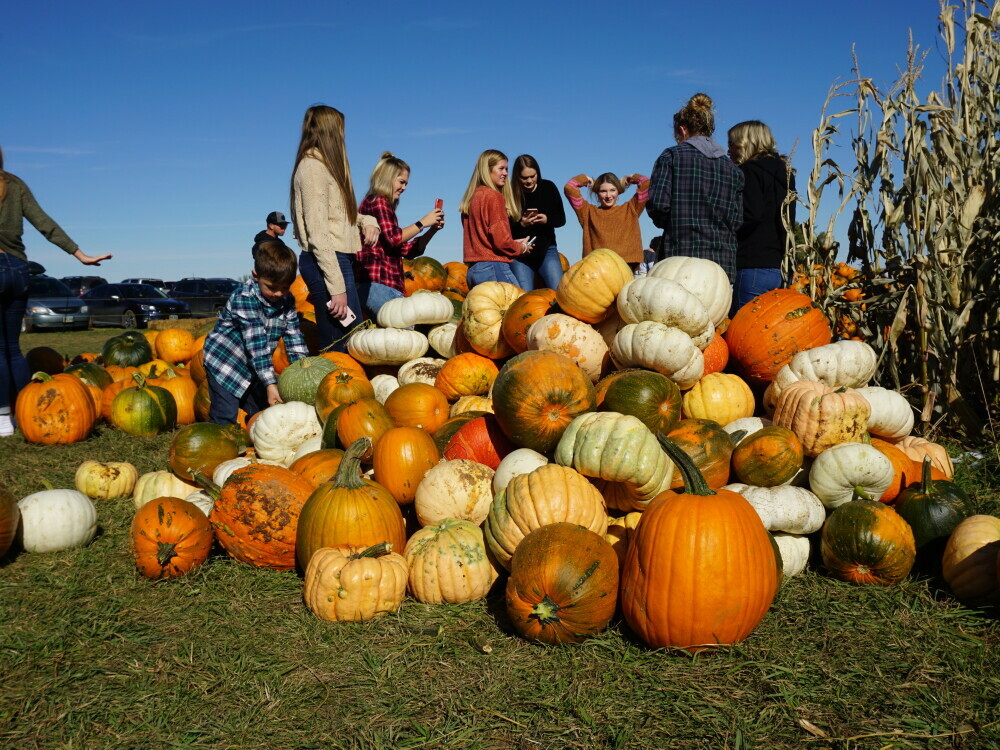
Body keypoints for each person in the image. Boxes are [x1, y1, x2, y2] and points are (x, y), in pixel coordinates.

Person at [0, 147, 111, 437]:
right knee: (12, 348)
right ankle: (28, 412)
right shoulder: (14, 184)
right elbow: (44, 223)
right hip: (19, 269)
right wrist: (80, 254)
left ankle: (1, 419)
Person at [290, 105, 379, 351]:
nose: (345, 135)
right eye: (341, 129)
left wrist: (367, 221)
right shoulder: (312, 168)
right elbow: (318, 233)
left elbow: (339, 214)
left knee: (352, 342)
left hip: (336, 260)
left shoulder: (327, 166)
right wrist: (337, 289)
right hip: (326, 262)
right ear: (329, 131)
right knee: (341, 346)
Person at [202, 241, 308, 426]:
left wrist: (303, 371)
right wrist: (270, 384)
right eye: (271, 287)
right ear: (256, 276)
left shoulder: (287, 300)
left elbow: (294, 337)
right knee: (225, 415)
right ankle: (214, 445)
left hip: (254, 368)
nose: (278, 293)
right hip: (225, 364)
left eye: (284, 287)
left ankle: (255, 444)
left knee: (264, 416)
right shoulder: (244, 298)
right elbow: (256, 343)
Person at [647, 93, 744, 283]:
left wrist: (675, 223)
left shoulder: (672, 157)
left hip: (679, 260)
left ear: (682, 130)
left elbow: (658, 205)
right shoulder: (733, 169)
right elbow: (737, 219)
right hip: (721, 265)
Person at [357, 152, 444, 316]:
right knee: (406, 333)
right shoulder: (378, 201)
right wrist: (423, 222)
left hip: (382, 285)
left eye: (406, 184)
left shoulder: (382, 205)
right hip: (378, 284)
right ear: (387, 178)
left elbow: (408, 251)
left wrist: (431, 230)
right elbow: (395, 238)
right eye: (401, 182)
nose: (404, 188)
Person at [727, 120, 795, 312]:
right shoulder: (786, 173)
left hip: (752, 264)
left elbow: (750, 214)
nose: (729, 151)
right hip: (778, 267)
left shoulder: (750, 170)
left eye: (732, 144)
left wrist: (726, 229)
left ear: (745, 143)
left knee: (744, 333)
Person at [460, 149, 532, 288]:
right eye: (501, 168)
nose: (505, 173)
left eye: (506, 169)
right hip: (494, 267)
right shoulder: (494, 197)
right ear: (487, 170)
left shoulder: (471, 199)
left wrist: (512, 242)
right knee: (516, 307)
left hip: (473, 271)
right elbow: (501, 242)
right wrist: (521, 247)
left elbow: (482, 238)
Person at [564, 171, 650, 269]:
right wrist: (585, 179)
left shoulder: (631, 209)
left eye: (613, 190)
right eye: (603, 191)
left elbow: (647, 184)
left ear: (618, 190)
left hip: (625, 265)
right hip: (597, 267)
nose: (608, 195)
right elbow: (569, 188)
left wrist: (632, 178)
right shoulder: (586, 212)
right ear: (596, 192)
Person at [509, 154, 566, 289]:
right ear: (517, 176)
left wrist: (547, 219)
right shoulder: (510, 193)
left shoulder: (548, 187)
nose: (529, 181)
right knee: (524, 296)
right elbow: (504, 230)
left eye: (532, 176)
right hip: (520, 254)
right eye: (524, 178)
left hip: (547, 250)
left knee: (559, 291)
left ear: (538, 173)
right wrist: (521, 224)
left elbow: (561, 219)